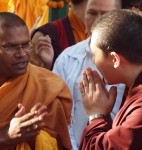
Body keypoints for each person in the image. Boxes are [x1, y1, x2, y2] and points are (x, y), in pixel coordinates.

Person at [0, 12, 72, 150]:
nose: (22, 54)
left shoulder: (46, 86)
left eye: (25, 45)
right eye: (10, 47)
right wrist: (6, 136)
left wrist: (33, 135)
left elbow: (61, 143)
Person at [53, 0, 125, 149]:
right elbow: (58, 114)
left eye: (106, 15)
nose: (98, 20)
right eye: (92, 13)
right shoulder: (68, 58)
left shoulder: (132, 59)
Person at [79, 9, 142, 149]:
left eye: (94, 55)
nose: (93, 61)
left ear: (114, 59)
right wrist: (104, 118)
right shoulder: (133, 88)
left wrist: (95, 114)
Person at [30, 0, 88, 69]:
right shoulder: (46, 35)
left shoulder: (99, 32)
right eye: (93, 13)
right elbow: (32, 76)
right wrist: (46, 66)